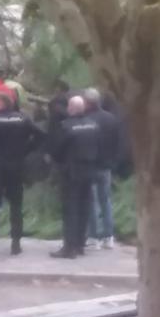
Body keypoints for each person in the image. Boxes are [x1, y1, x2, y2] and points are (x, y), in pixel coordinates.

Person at [0, 94, 43, 256]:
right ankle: (16, 243)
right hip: (17, 167)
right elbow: (40, 136)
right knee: (16, 207)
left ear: (2, 103)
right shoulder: (23, 119)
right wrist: (26, 150)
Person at [49, 95, 102, 259]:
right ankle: (80, 244)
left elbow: (56, 150)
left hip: (71, 172)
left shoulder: (65, 126)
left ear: (71, 109)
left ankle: (69, 247)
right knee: (84, 207)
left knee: (70, 209)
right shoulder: (94, 125)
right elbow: (100, 147)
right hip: (89, 170)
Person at [83, 88, 119, 250]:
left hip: (91, 164)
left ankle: (94, 236)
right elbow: (117, 141)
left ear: (88, 103)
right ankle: (109, 236)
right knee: (106, 201)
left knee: (92, 201)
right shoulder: (111, 119)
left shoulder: (86, 119)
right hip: (106, 165)